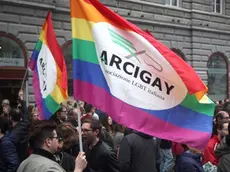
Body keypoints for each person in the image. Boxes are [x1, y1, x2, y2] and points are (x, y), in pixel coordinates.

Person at [17, 120, 87, 172]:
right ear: (48, 142)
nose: (58, 141)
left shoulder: (24, 163)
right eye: (56, 138)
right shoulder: (50, 168)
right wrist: (78, 168)